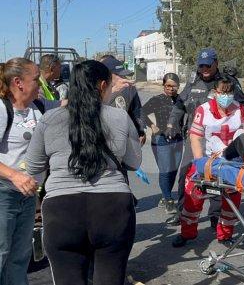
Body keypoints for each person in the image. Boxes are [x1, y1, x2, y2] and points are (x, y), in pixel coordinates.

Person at [26, 60, 142, 285]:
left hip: (62, 211)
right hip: (113, 209)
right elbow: (135, 162)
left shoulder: (49, 119)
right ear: (101, 86)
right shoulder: (119, 117)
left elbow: (33, 168)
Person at [164, 47, 244, 226]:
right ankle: (182, 213)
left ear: (216, 64)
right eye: (201, 65)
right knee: (187, 175)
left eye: (208, 66)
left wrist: (225, 112)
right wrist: (172, 123)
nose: (204, 69)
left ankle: (216, 215)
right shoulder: (194, 80)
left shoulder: (227, 82)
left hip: (220, 138)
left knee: (219, 177)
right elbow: (180, 105)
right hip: (196, 136)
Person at [172, 78, 244, 247]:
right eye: (223, 92)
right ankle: (187, 233)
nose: (226, 96)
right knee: (192, 199)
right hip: (206, 160)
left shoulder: (239, 109)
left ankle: (225, 235)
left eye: (229, 92)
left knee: (232, 202)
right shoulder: (204, 110)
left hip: (231, 163)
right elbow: (195, 137)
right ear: (215, 92)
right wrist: (200, 163)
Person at [0, 58, 43, 284]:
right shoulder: (2, 109)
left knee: (19, 257)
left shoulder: (36, 109)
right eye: (36, 79)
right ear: (18, 82)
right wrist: (15, 175)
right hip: (4, 195)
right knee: (1, 254)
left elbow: (69, 103)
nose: (40, 84)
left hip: (27, 196)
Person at [142, 73, 183, 214]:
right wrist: (151, 125)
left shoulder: (181, 100)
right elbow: (141, 112)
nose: (171, 89)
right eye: (168, 86)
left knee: (173, 170)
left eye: (174, 86)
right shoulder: (157, 100)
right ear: (164, 86)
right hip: (161, 139)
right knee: (165, 170)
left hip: (178, 139)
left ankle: (165, 195)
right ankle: (168, 200)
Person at [99, 55, 146, 145]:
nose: (123, 78)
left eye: (124, 74)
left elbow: (137, 110)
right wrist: (113, 91)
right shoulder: (97, 88)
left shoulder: (129, 88)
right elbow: (93, 108)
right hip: (104, 138)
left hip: (126, 137)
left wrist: (141, 130)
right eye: (119, 75)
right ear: (107, 75)